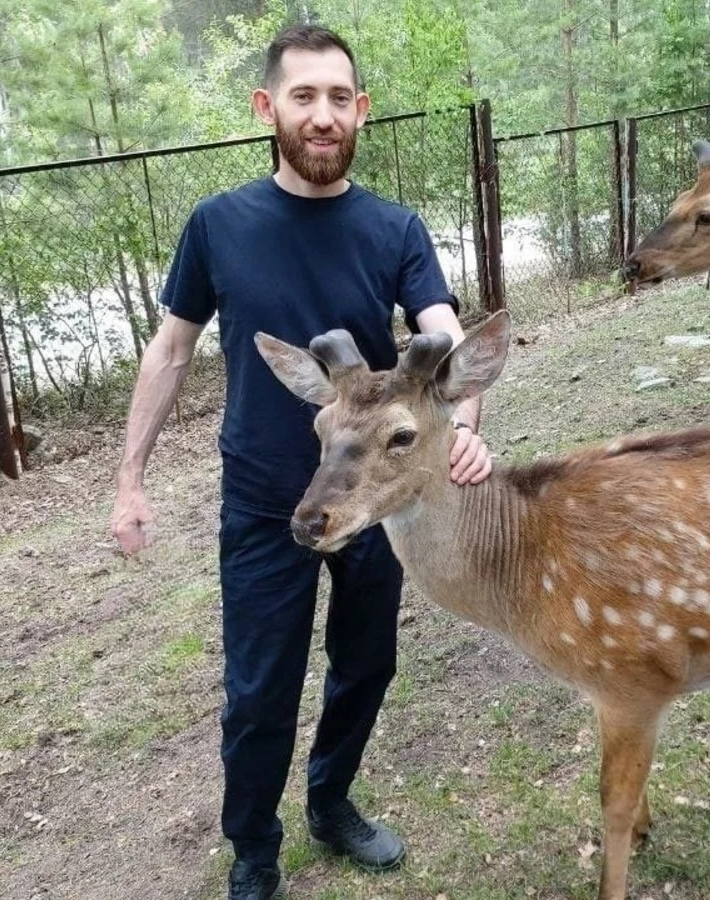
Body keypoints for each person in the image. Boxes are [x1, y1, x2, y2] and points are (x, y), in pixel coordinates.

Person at [107, 22, 493, 900]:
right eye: (303, 97)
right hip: (261, 502)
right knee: (259, 689)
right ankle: (254, 846)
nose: (322, 117)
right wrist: (128, 480)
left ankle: (331, 803)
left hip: (376, 504)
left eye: (338, 99)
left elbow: (443, 335)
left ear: (361, 111)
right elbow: (169, 353)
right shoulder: (218, 226)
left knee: (367, 667)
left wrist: (465, 424)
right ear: (268, 108)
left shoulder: (393, 227)